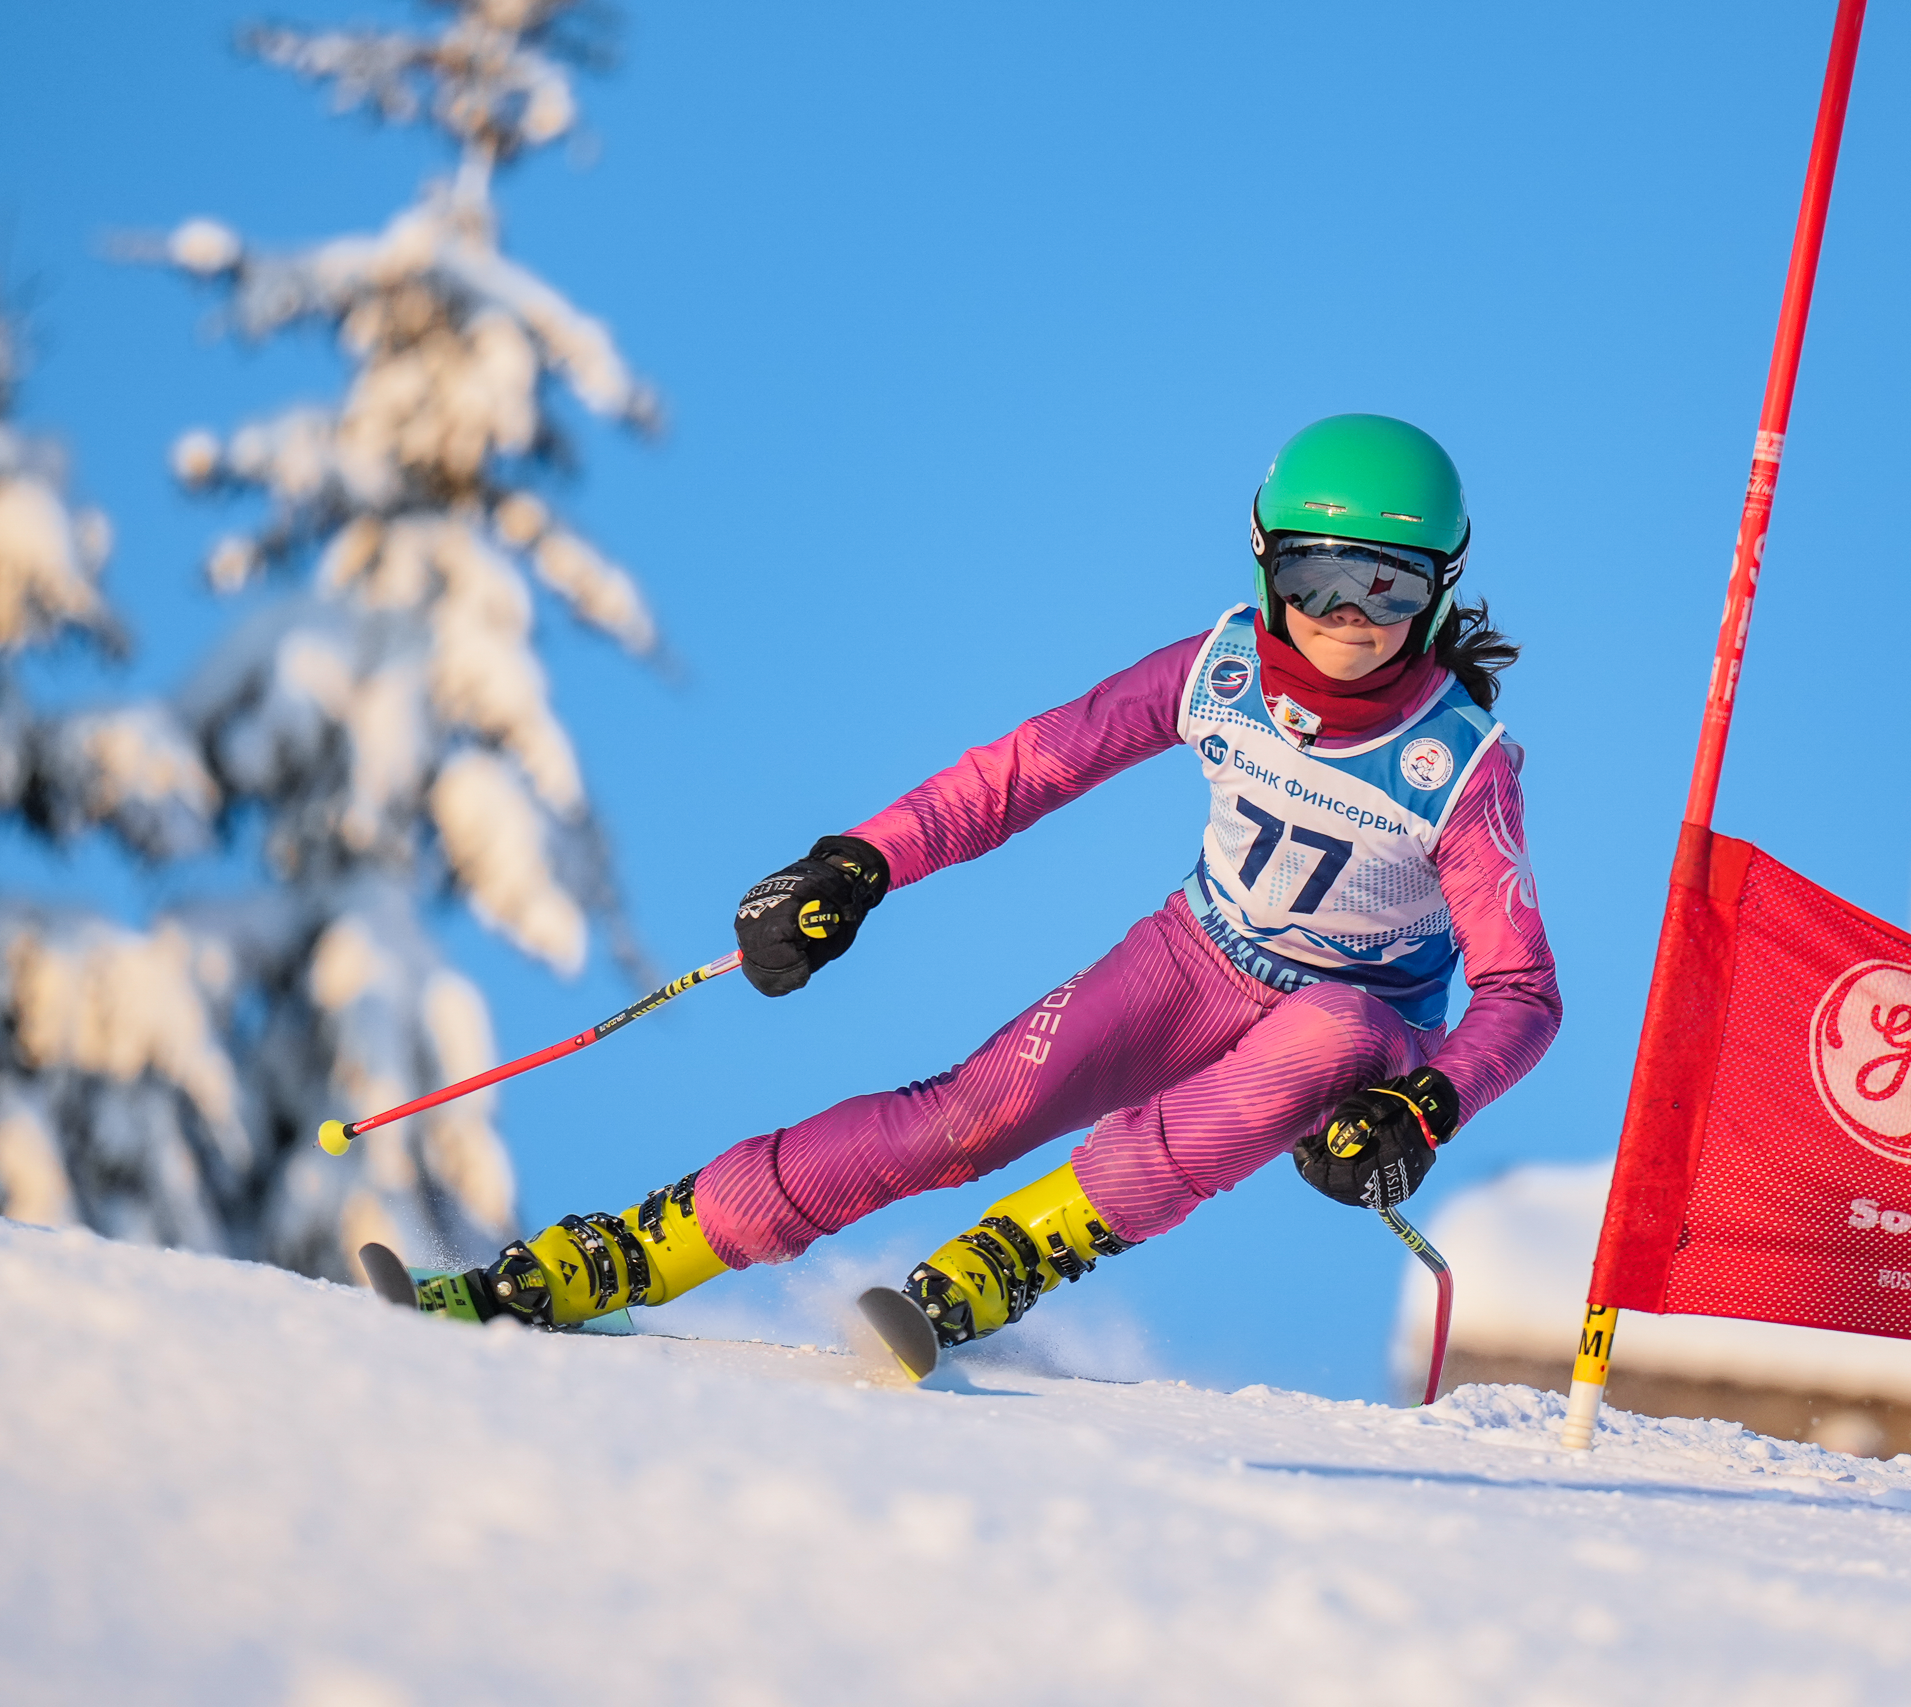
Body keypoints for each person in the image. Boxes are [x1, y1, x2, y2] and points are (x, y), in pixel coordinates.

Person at [409, 414, 1563, 1364]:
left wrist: (1426, 1104)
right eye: (1318, 577)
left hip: (1360, 1028)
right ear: (1265, 563)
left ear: (1441, 593)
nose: (1348, 622)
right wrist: (858, 863)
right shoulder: (1214, 669)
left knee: (1331, 1026)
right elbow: (1027, 771)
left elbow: (1519, 992)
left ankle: (1016, 1253)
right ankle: (604, 1259)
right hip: (1194, 960)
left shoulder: (1457, 766)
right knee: (964, 1117)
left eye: (1387, 585)